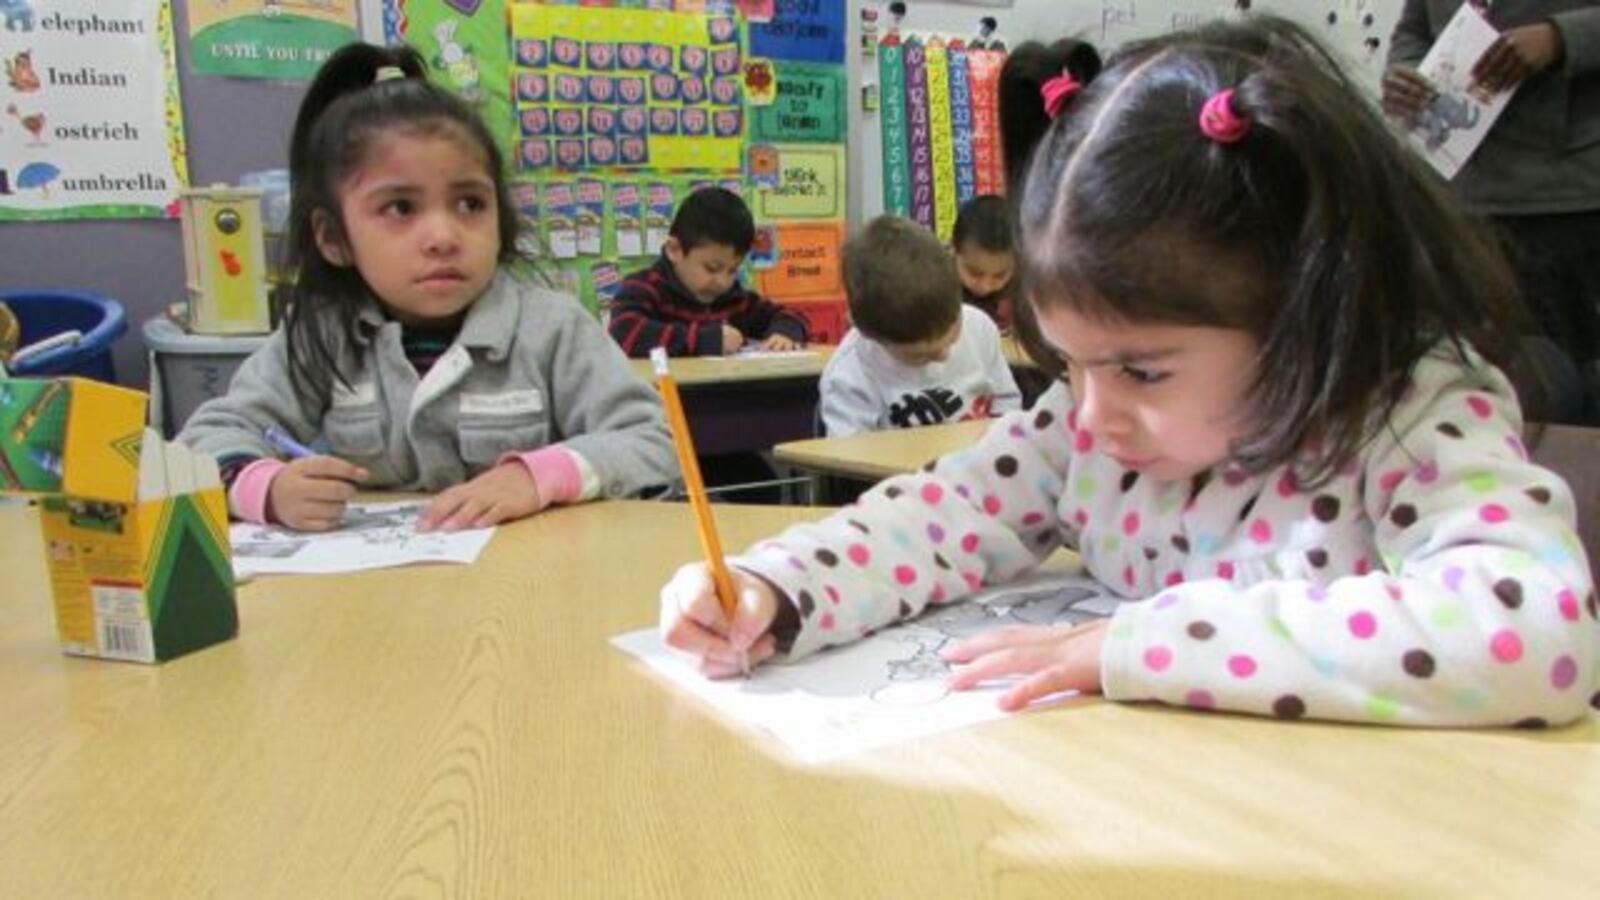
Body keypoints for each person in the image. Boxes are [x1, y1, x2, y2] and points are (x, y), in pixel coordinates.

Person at [657, 17, 1597, 727]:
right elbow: (942, 515)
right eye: (1067, 363)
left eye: (1142, 372)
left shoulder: (1406, 411)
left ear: (1311, 314)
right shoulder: (1087, 422)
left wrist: (1140, 646)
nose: (1090, 415)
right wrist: (777, 590)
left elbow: (1539, 636)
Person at [180, 44, 677, 533]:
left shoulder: (552, 328)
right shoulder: (321, 333)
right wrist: (265, 487)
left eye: (470, 204)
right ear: (334, 238)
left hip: (523, 594)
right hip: (383, 594)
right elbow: (204, 441)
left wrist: (538, 477)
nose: (443, 237)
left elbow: (656, 443)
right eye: (400, 208)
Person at [1384, 0, 1600, 422]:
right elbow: (1414, 30)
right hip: (1462, 200)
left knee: (1575, 386)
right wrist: (1405, 74)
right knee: (1489, 386)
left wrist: (1558, 38)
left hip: (1568, 196)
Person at [820, 216, 1022, 438]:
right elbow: (848, 462)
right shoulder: (849, 376)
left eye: (952, 337)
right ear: (869, 334)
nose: (944, 356)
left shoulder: (979, 328)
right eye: (920, 356)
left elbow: (1007, 405)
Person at [608, 187, 809, 357]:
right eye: (712, 268)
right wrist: (705, 340)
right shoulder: (643, 288)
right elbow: (624, 332)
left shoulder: (734, 300)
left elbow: (791, 315)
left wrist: (785, 332)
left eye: (732, 270)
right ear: (674, 250)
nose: (722, 282)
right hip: (662, 400)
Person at [951, 195, 1018, 331]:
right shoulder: (934, 288)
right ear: (953, 249)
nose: (985, 287)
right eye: (974, 273)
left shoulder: (1026, 291)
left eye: (1000, 276)